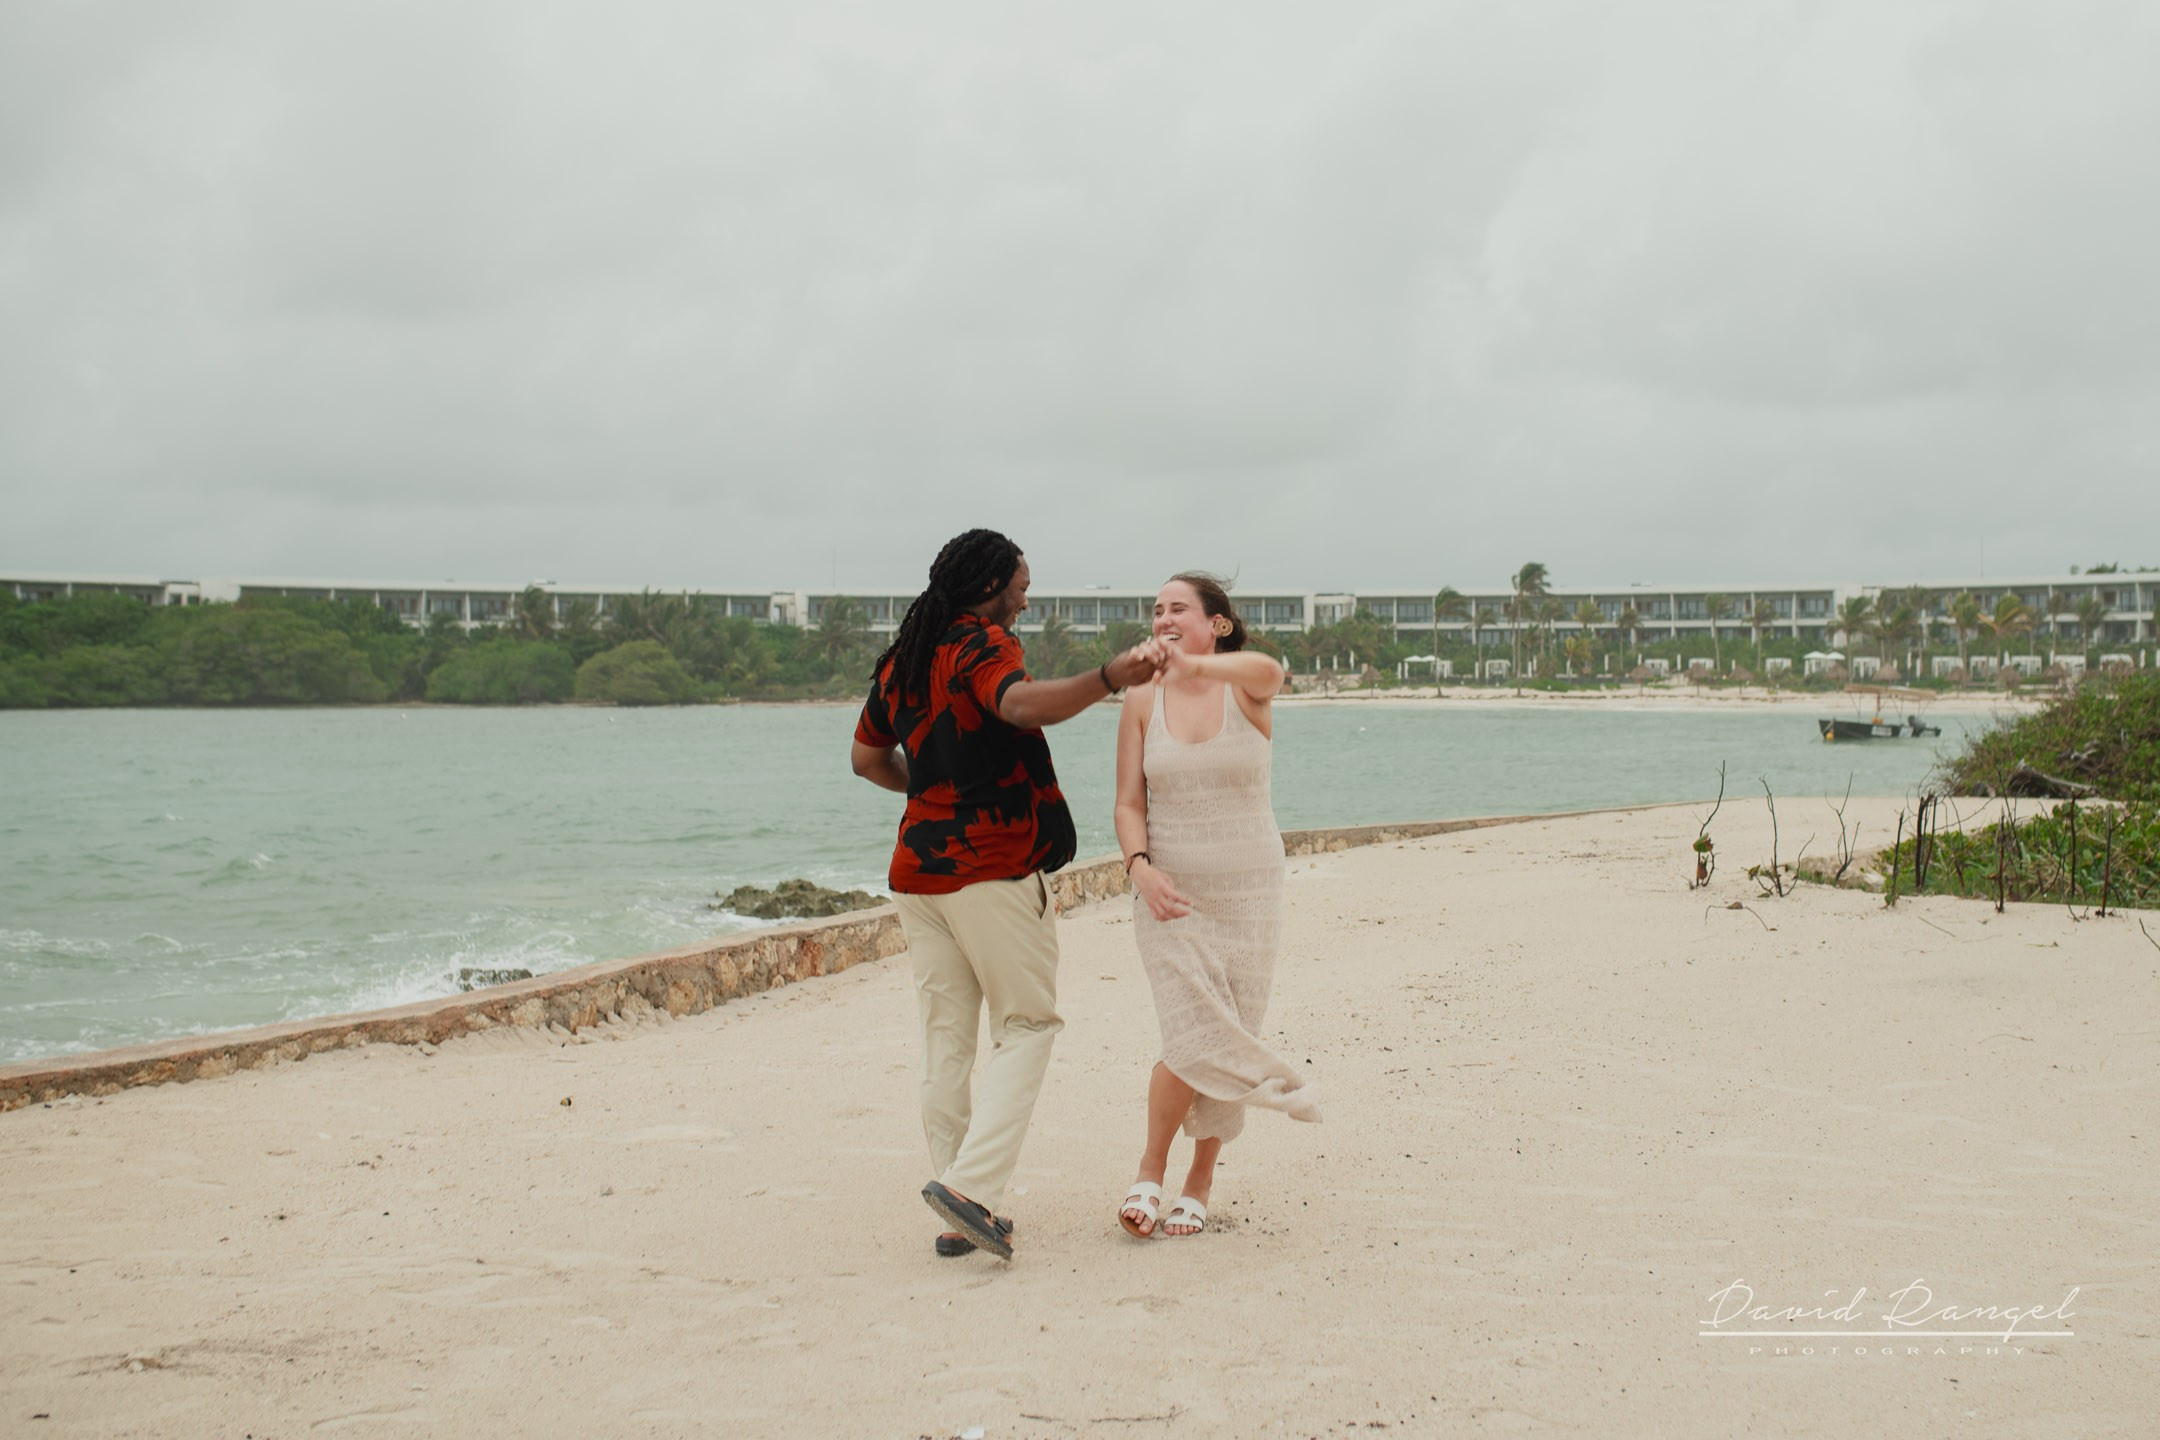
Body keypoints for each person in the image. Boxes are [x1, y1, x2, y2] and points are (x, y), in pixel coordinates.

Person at [851, 529, 1162, 1261]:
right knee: (1028, 1025)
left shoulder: (905, 657)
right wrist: (1109, 676)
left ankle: (958, 1196)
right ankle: (971, 1192)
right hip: (988, 868)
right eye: (1020, 585)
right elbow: (1020, 707)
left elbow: (867, 759)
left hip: (917, 874)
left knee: (945, 1041)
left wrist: (930, 791)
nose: (1026, 597)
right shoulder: (980, 643)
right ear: (990, 584)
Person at [1113, 573, 1320, 1239]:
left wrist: (1192, 663)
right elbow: (1128, 801)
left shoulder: (1245, 685)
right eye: (1156, 611)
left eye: (1179, 609)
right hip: (1169, 897)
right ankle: (1149, 1170)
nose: (1164, 617)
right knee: (1189, 1034)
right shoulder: (1142, 696)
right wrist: (1139, 869)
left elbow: (1273, 669)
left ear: (1217, 623)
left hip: (1249, 895)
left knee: (1228, 1032)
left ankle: (1199, 1179)